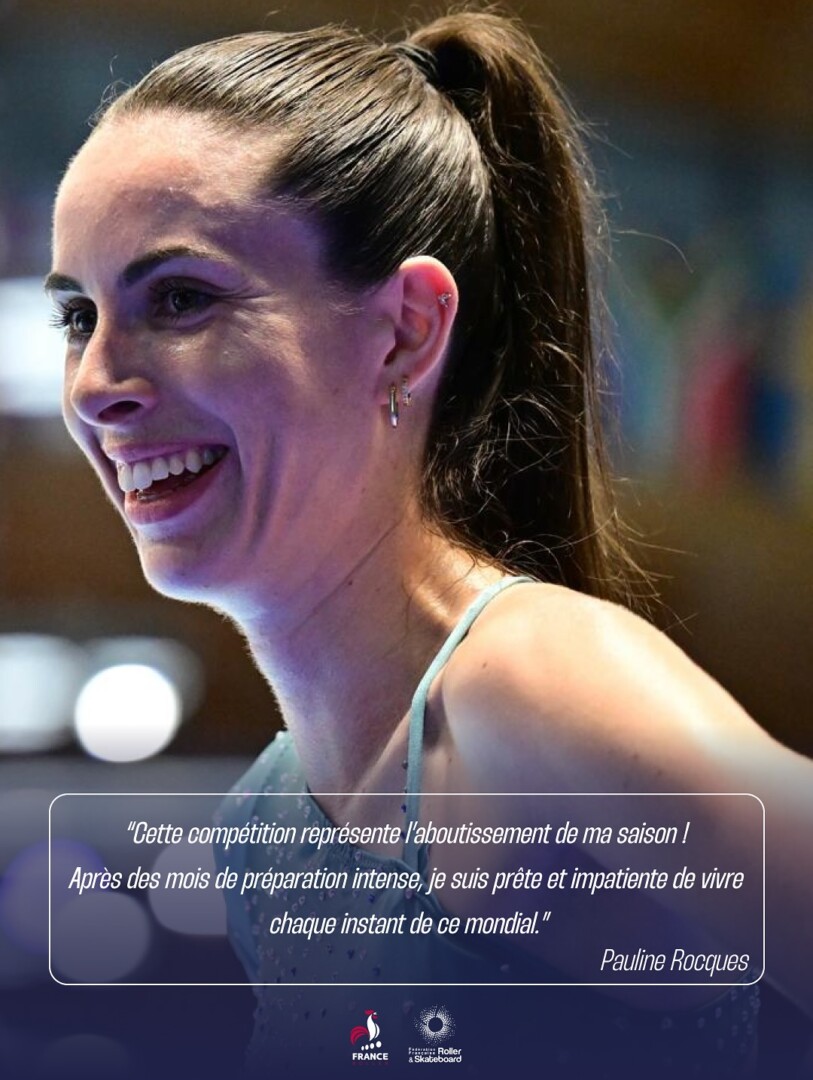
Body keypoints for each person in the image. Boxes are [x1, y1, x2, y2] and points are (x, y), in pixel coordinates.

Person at [48, 8, 811, 1076]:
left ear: (405, 329)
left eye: (180, 299)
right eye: (77, 317)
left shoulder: (529, 683)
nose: (95, 386)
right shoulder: (264, 821)